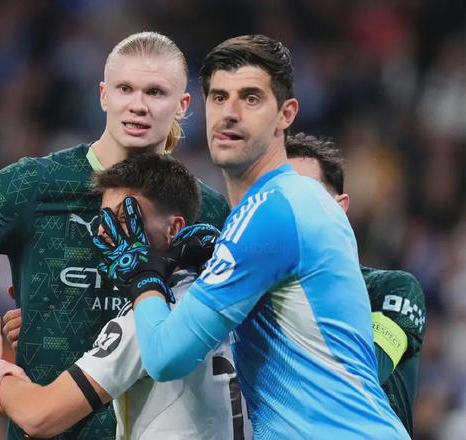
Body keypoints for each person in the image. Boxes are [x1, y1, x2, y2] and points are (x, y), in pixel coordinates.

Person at [0, 31, 230, 440]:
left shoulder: (206, 211)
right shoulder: (37, 184)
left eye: (155, 92)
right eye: (125, 89)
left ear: (183, 105)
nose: (138, 105)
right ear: (103, 95)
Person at [93, 35, 409, 438]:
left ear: (285, 115)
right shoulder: (298, 198)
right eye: (218, 97)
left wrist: (143, 275)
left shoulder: (270, 212)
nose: (230, 113)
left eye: (251, 98)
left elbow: (164, 357)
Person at [0, 153, 246, 439]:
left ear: (174, 229)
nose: (107, 232)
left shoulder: (148, 319)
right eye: (105, 220)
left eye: (125, 218)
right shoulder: (231, 293)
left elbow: (40, 416)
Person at [286, 132, 426, 436]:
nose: (292, 211)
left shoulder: (391, 289)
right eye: (280, 199)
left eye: (307, 196)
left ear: (340, 207)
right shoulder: (255, 299)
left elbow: (360, 376)